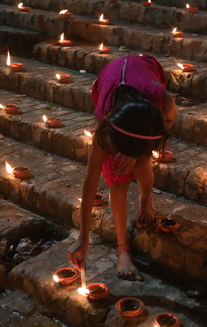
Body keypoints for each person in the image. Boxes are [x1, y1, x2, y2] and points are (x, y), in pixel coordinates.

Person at [67, 55, 177, 282]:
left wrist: (136, 155)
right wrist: (83, 238)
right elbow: (90, 182)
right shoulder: (105, 127)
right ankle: (123, 250)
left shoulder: (163, 101)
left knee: (142, 164)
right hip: (110, 80)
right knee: (118, 177)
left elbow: (167, 124)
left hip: (145, 72)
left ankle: (146, 202)